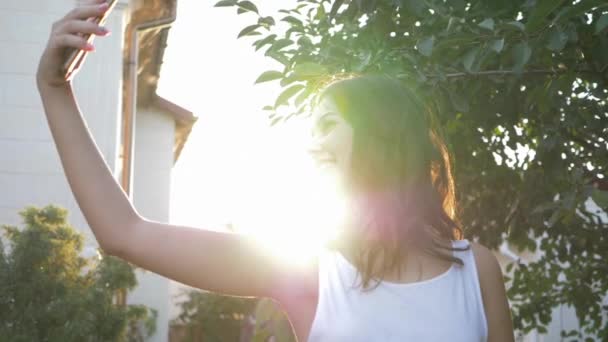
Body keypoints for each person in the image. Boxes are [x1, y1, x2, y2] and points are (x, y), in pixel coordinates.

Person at [36, 0, 515, 341]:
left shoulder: (477, 271)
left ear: (381, 134)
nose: (312, 143)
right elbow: (124, 233)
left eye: (327, 124)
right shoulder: (307, 269)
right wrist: (54, 87)